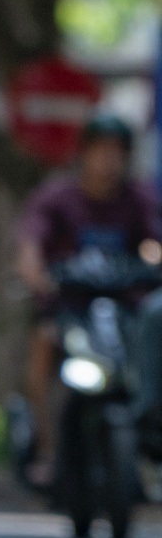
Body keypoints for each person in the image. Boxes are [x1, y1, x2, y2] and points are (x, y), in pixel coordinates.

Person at [16, 113, 162, 486]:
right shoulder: (57, 197)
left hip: (122, 310)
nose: (108, 161)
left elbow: (153, 242)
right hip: (69, 309)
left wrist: (150, 256)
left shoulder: (138, 198)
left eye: (116, 153)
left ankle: (148, 430)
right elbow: (30, 245)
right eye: (100, 151)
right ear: (84, 154)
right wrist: (36, 273)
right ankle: (48, 449)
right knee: (44, 344)